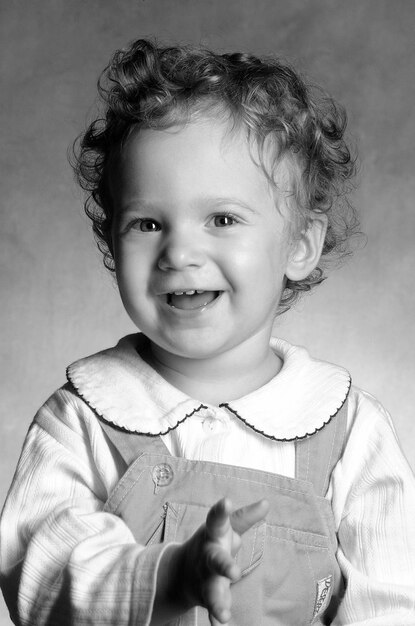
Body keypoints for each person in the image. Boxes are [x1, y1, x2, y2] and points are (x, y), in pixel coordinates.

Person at [1, 38, 414, 626]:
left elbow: (394, 600)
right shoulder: (83, 419)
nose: (180, 251)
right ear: (112, 243)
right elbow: (42, 573)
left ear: (299, 244)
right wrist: (165, 580)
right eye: (147, 222)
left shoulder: (348, 431)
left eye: (221, 219)